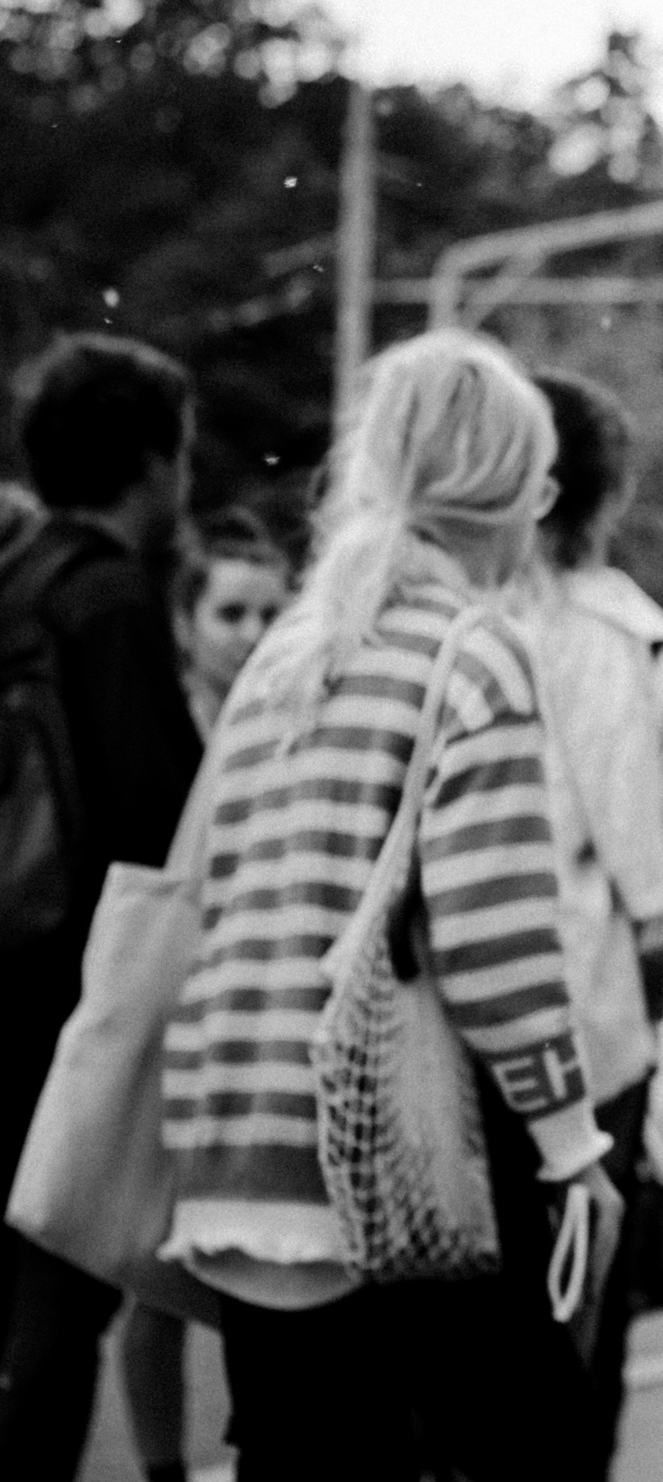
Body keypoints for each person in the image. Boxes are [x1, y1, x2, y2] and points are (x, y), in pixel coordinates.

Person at [160, 331, 621, 1482]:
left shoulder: (284, 654)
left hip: (238, 1157)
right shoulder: (472, 652)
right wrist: (572, 1147)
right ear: (506, 494)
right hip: (390, 1168)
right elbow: (496, 941)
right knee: (523, 1445)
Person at [0, 335, 201, 1479]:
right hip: (69, 1007)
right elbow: (160, 825)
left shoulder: (16, 580)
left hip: (6, 969)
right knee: (58, 1316)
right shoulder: (108, 598)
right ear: (146, 463)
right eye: (180, 454)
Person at [517, 368, 663, 1464]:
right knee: (579, 1314)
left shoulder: (421, 621)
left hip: (434, 1034)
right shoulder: (658, 654)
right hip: (594, 1033)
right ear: (610, 496)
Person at [115, 511, 297, 1482]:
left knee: (235, 1265)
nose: (252, 632)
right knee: (151, 1271)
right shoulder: (156, 724)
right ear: (186, 621)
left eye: (271, 610)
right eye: (231, 611)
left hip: (245, 1028)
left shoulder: (287, 721)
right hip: (166, 1016)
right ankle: (160, 1468)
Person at [171, 509, 293, 738]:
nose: (255, 635)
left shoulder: (293, 732)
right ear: (184, 626)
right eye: (231, 614)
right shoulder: (160, 731)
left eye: (270, 616)